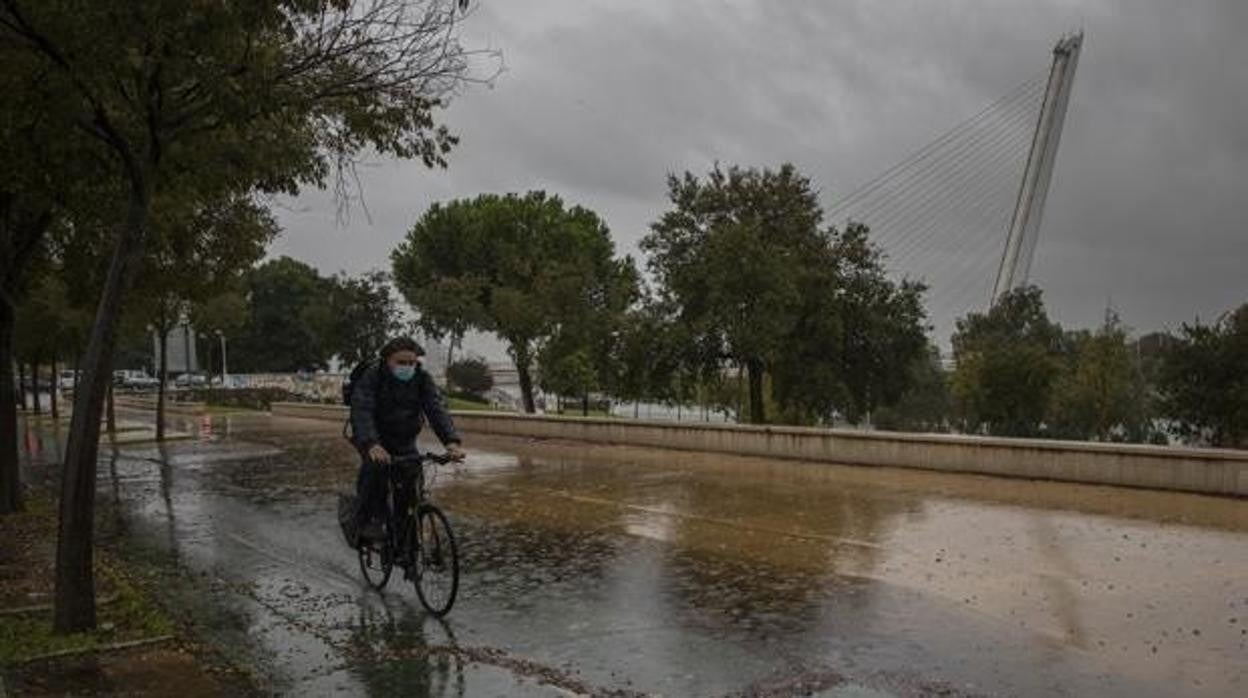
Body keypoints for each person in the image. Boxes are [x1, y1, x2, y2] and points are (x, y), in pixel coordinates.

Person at [349, 336, 464, 541]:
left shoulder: (422, 379)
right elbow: (362, 410)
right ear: (387, 361)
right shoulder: (373, 376)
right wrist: (371, 444)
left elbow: (436, 409)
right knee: (376, 471)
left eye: (412, 363)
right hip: (374, 437)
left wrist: (451, 442)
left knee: (411, 486)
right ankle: (367, 521)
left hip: (404, 439)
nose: (408, 367)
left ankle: (408, 541)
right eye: (401, 362)